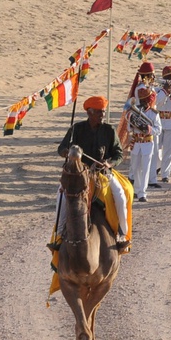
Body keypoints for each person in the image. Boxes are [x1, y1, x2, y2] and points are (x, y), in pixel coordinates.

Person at [55, 95, 129, 249]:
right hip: (79, 175)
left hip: (103, 174)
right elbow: (61, 148)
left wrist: (109, 162)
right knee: (61, 197)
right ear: (89, 112)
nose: (102, 115)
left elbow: (119, 154)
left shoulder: (109, 130)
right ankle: (59, 234)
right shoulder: (76, 129)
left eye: (103, 112)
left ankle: (121, 234)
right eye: (99, 112)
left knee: (122, 195)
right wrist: (66, 153)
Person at [126, 86, 161, 203]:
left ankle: (143, 193)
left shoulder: (154, 114)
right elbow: (128, 127)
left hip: (147, 143)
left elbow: (158, 130)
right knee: (135, 167)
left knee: (145, 168)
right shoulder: (134, 112)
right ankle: (136, 189)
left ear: (149, 101)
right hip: (136, 142)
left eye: (145, 100)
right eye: (141, 100)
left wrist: (149, 129)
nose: (143, 103)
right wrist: (132, 124)